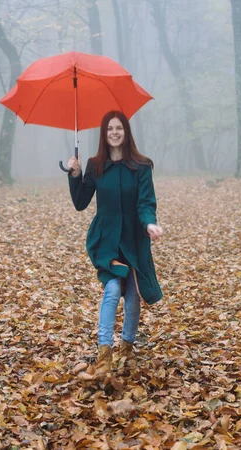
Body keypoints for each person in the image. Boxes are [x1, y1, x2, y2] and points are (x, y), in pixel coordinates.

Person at [67, 110, 163, 377]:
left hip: (133, 239)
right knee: (111, 290)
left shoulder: (141, 166)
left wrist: (149, 223)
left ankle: (128, 348)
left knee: (133, 294)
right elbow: (81, 202)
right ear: (104, 133)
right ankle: (104, 353)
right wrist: (75, 176)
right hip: (106, 239)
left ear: (126, 131)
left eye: (119, 128)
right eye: (110, 128)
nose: (114, 132)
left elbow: (146, 202)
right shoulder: (95, 165)